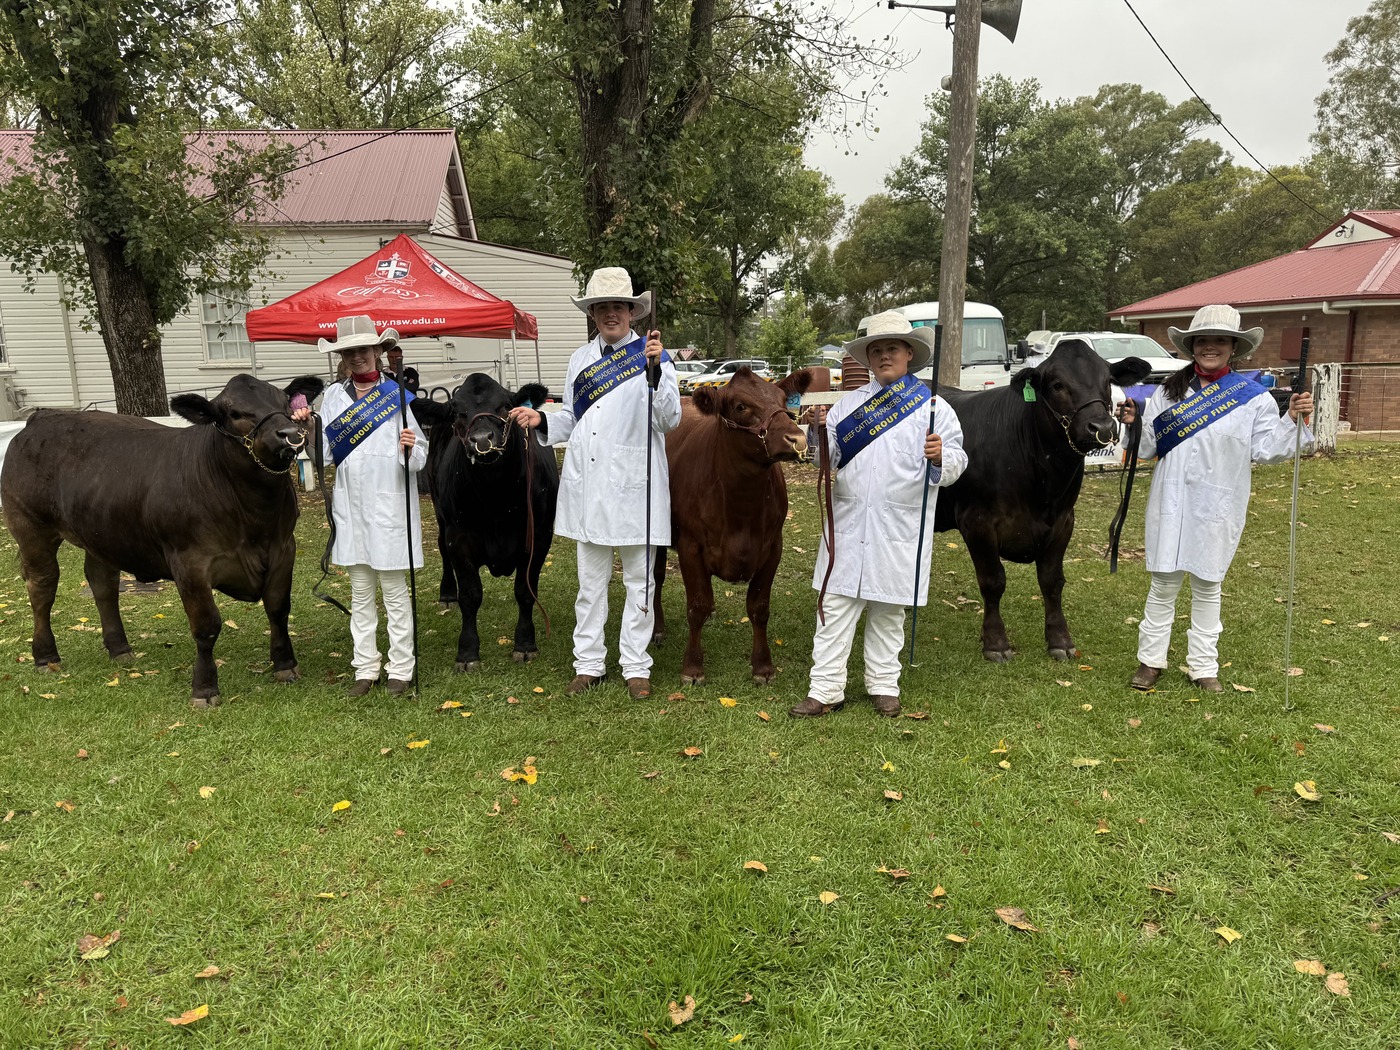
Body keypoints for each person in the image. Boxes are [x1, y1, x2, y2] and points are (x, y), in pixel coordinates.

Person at [1117, 304, 1314, 693]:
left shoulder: (1254, 398)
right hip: (1171, 500)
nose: (1211, 347)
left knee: (1208, 586)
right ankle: (1150, 661)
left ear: (1233, 348)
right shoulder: (1167, 392)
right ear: (1192, 346)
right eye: (1202, 340)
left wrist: (1292, 418)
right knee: (1164, 584)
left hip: (1218, 504)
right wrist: (1134, 425)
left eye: (1220, 340)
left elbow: (1268, 450)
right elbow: (1148, 447)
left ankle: (1203, 666)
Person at [508, 267, 680, 699]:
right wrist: (541, 418)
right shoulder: (580, 360)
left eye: (618, 306)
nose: (610, 314)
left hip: (636, 486)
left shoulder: (654, 357)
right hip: (590, 486)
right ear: (593, 314)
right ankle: (588, 663)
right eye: (602, 307)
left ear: (632, 312)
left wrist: (656, 375)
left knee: (640, 582)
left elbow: (669, 420)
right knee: (590, 583)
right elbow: (572, 417)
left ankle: (636, 666)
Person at [790, 311, 968, 719]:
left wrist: (941, 455)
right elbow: (828, 458)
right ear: (868, 359)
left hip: (899, 526)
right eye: (877, 351)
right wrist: (818, 434)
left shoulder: (933, 408)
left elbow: (958, 461)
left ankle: (884, 685)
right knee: (835, 607)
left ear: (909, 353)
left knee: (889, 611)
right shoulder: (847, 406)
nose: (884, 356)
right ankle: (825, 689)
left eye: (892, 349)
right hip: (849, 523)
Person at [297, 315, 428, 696]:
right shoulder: (334, 397)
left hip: (390, 507)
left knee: (395, 593)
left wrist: (409, 447)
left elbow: (420, 454)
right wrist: (309, 429)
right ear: (343, 357)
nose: (357, 357)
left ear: (377, 351)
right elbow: (323, 455)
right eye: (349, 351)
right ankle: (365, 668)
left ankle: (401, 668)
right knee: (360, 592)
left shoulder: (395, 395)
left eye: (364, 350)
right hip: (351, 507)